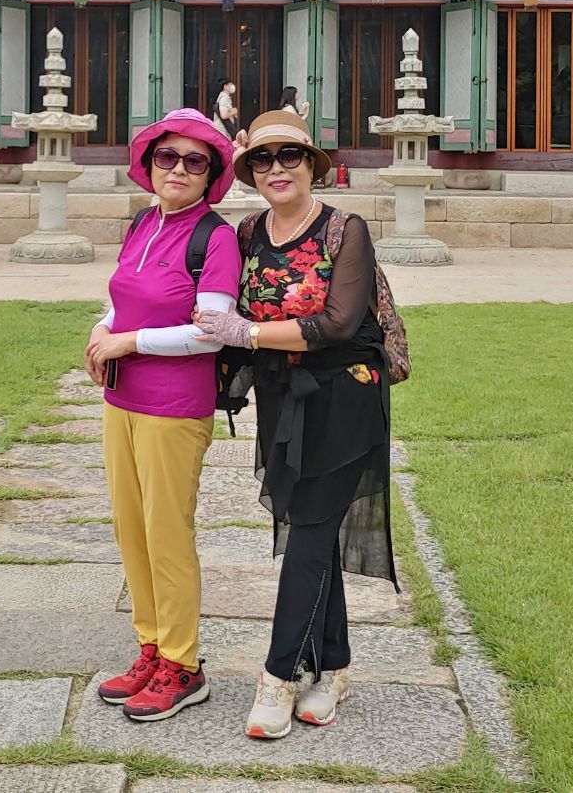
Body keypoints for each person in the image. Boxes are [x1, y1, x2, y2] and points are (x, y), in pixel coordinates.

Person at [195, 110, 397, 740]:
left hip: (344, 396)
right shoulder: (248, 231)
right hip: (282, 399)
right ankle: (333, 669)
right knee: (314, 529)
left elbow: (338, 323)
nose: (276, 168)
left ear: (312, 164)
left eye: (290, 155)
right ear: (249, 170)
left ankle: (279, 675)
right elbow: (213, 303)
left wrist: (249, 333)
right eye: (262, 158)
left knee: (309, 530)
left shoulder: (344, 230)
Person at [84, 108, 241, 722]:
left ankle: (183, 663)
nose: (178, 169)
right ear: (149, 165)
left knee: (167, 534)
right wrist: (100, 330)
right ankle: (150, 648)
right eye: (166, 157)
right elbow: (122, 297)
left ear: (211, 175)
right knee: (131, 529)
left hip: (174, 407)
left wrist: (129, 342)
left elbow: (211, 331)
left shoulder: (214, 239)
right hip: (120, 399)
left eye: (194, 161)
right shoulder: (143, 223)